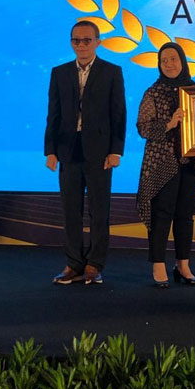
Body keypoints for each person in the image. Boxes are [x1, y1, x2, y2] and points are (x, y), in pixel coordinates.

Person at [45, 20, 126, 285]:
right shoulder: (59, 72)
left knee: (99, 211)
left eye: (87, 40)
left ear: (97, 42)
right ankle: (73, 264)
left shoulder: (112, 71)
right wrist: (50, 151)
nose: (81, 45)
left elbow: (118, 114)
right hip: (68, 150)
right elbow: (53, 114)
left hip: (100, 152)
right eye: (76, 40)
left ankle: (94, 264)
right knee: (71, 210)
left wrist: (116, 151)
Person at [136, 42, 195, 287]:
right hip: (162, 163)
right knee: (161, 214)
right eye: (164, 60)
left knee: (185, 215)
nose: (169, 64)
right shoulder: (153, 92)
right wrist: (169, 124)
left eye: (173, 59)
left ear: (183, 61)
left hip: (192, 162)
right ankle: (158, 265)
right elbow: (143, 128)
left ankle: (183, 265)